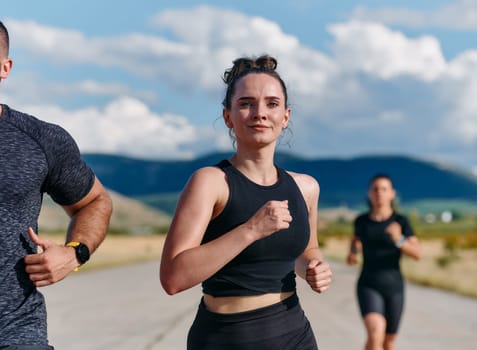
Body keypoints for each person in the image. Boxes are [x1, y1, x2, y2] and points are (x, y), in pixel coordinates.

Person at [0, 10, 113, 350]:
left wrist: (75, 253)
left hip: (11, 334)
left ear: (5, 68)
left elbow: (94, 202)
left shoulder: (41, 140)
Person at [160, 54, 332, 349]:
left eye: (271, 103)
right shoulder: (211, 182)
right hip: (227, 337)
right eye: (245, 103)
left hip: (294, 333)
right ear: (228, 116)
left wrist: (314, 267)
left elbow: (306, 251)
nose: (259, 113)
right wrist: (251, 229)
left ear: (286, 116)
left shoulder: (305, 188)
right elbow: (173, 277)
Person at [347, 174, 421, 350]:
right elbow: (356, 239)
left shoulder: (401, 222)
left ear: (392, 193)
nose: (379, 192)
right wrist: (353, 252)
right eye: (375, 189)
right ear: (370, 193)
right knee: (375, 334)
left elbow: (417, 253)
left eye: (384, 189)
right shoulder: (362, 221)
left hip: (394, 287)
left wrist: (399, 239)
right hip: (368, 284)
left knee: (389, 342)